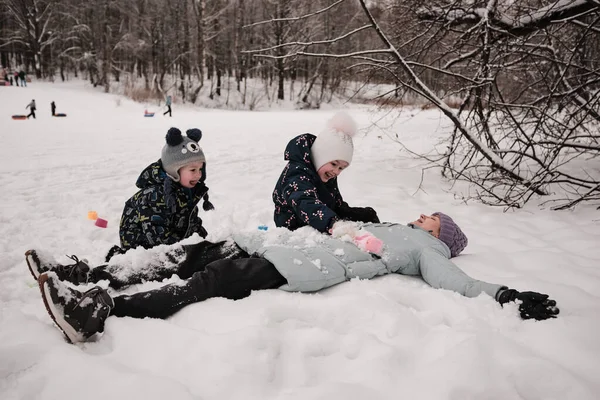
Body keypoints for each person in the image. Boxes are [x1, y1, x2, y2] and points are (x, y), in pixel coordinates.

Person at [28, 212, 559, 344]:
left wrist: (505, 293)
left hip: (303, 266)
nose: (422, 216)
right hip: (291, 244)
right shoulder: (395, 226)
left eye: (431, 217)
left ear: (441, 231)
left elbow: (455, 283)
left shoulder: (427, 248)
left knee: (211, 275)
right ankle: (90, 273)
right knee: (199, 250)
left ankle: (95, 310)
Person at [104, 127, 214, 261]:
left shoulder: (188, 191)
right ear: (174, 171)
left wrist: (206, 243)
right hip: (143, 252)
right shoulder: (153, 196)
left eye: (200, 169)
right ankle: (119, 259)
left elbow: (192, 223)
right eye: (193, 170)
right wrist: (186, 252)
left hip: (173, 245)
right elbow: (156, 236)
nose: (198, 175)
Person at [273, 112, 380, 234]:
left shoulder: (324, 172)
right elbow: (305, 202)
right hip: (297, 230)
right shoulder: (297, 174)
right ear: (320, 157)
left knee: (368, 215)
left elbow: (335, 205)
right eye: (334, 164)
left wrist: (359, 215)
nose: (336, 171)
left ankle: (379, 243)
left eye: (341, 168)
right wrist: (333, 223)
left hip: (323, 222)